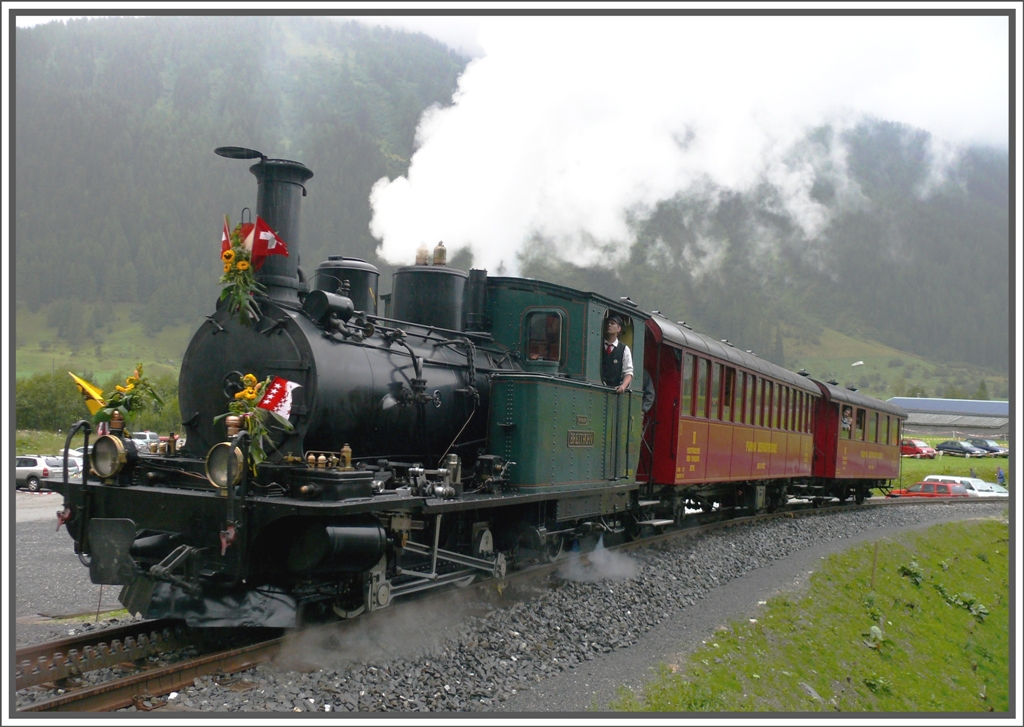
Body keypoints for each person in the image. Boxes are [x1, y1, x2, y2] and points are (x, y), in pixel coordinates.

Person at [601, 314, 633, 393]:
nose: (609, 325)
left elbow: (628, 372)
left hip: (613, 391)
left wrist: (623, 386)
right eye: (607, 323)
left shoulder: (624, 349)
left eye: (612, 323)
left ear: (619, 328)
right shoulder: (598, 345)